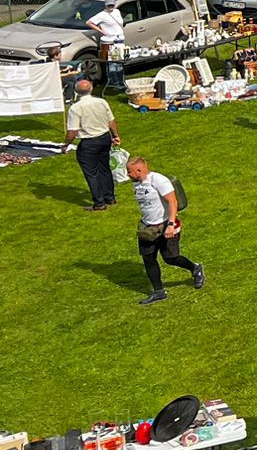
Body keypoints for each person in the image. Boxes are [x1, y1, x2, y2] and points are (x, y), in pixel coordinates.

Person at [128, 155, 202, 305]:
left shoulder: (159, 181)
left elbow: (173, 201)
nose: (127, 175)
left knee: (171, 258)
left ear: (139, 170)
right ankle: (158, 291)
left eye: (129, 172)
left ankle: (195, 268)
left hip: (165, 225)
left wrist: (170, 224)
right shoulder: (137, 183)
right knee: (148, 258)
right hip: (147, 227)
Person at [65, 76, 121, 209]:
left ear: (77, 92)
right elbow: (111, 121)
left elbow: (72, 131)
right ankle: (110, 197)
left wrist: (65, 144)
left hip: (89, 142)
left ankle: (99, 202)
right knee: (104, 168)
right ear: (91, 89)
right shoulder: (102, 102)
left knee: (91, 173)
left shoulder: (75, 108)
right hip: (104, 138)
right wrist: (115, 135)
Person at [85, 0, 127, 93]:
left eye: (112, 5)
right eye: (109, 5)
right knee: (112, 62)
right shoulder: (102, 15)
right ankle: (114, 82)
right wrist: (101, 31)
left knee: (120, 61)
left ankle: (120, 82)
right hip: (109, 41)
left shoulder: (117, 12)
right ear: (105, 5)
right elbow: (89, 22)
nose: (111, 7)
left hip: (120, 40)